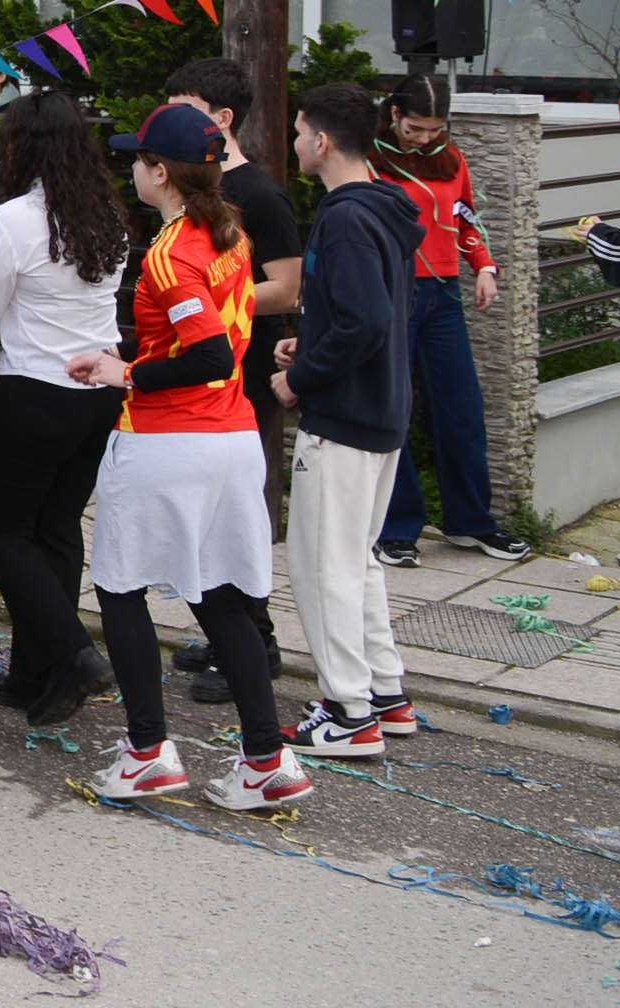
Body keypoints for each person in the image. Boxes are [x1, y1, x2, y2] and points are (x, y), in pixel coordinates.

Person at [75, 103, 308, 812]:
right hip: (233, 440)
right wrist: (134, 353)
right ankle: (266, 758)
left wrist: (126, 372)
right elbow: (200, 341)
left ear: (160, 172)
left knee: (120, 588)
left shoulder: (171, 252)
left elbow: (207, 355)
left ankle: (148, 752)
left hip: (168, 441)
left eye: (137, 158)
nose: (131, 168)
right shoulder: (227, 230)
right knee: (220, 595)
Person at [0, 93, 131, 726]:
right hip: (98, 391)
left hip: (35, 390)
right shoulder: (107, 212)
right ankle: (37, 674)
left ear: (21, 147)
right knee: (55, 528)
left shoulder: (15, 219)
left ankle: (76, 656)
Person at [273, 84, 427, 754]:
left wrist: (300, 377)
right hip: (380, 409)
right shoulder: (384, 208)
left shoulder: (343, 218)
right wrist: (310, 344)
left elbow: (365, 321)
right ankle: (385, 695)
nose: (295, 143)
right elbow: (373, 313)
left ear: (322, 140)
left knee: (321, 567)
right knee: (356, 562)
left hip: (343, 417)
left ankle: (347, 712)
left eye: (299, 132)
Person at [161, 56, 308, 698]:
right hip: (199, 368)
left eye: (185, 111)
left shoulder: (261, 195)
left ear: (222, 119)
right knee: (202, 514)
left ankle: (255, 643)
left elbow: (289, 287)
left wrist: (213, 298)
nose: (169, 122)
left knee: (233, 511)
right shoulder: (192, 188)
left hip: (245, 370)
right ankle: (233, 633)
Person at [370, 75, 527, 564]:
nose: (424, 138)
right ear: (395, 114)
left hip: (443, 291)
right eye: (415, 128)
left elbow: (465, 217)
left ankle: (471, 522)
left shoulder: (451, 158)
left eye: (435, 129)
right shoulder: (370, 160)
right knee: (394, 409)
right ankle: (397, 528)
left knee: (463, 410)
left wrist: (485, 266)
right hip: (394, 291)